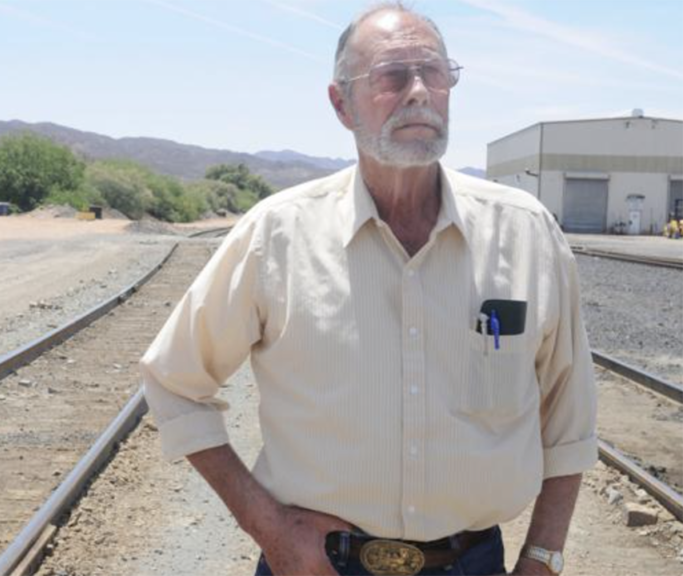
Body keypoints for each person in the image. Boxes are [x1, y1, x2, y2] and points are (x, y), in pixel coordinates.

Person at [139, 3, 597, 575]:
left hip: (472, 562)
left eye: (434, 72)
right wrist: (269, 527)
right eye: (391, 76)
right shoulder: (276, 235)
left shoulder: (527, 234)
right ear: (341, 103)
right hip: (316, 564)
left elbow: (568, 417)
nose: (418, 92)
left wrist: (543, 558)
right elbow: (173, 382)